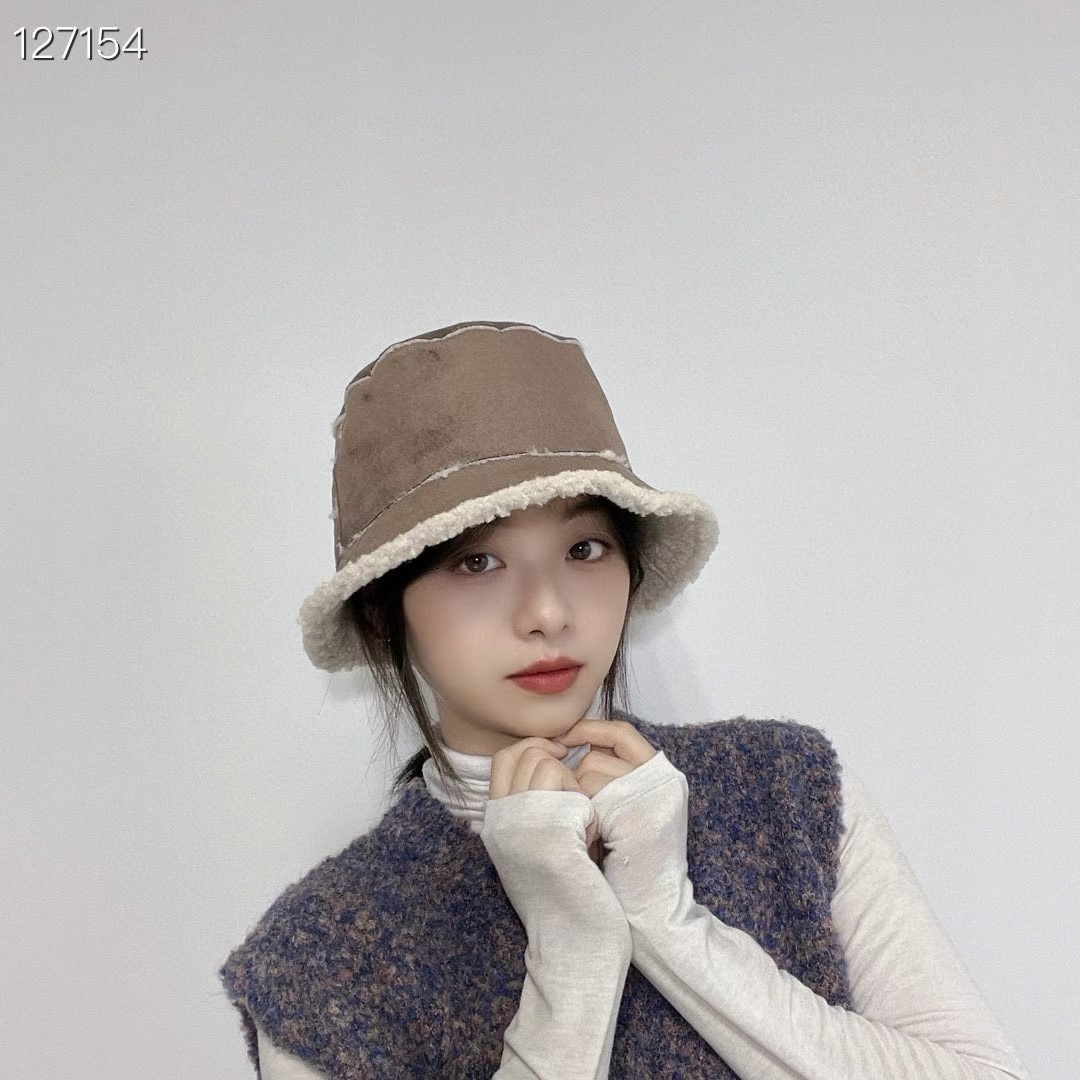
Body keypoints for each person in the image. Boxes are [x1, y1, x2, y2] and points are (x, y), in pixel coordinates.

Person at [219, 322, 1029, 1079]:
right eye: (476, 563)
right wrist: (570, 951)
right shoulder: (317, 959)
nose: (548, 612)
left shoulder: (787, 789)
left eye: (584, 547)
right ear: (381, 612)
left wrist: (667, 918)